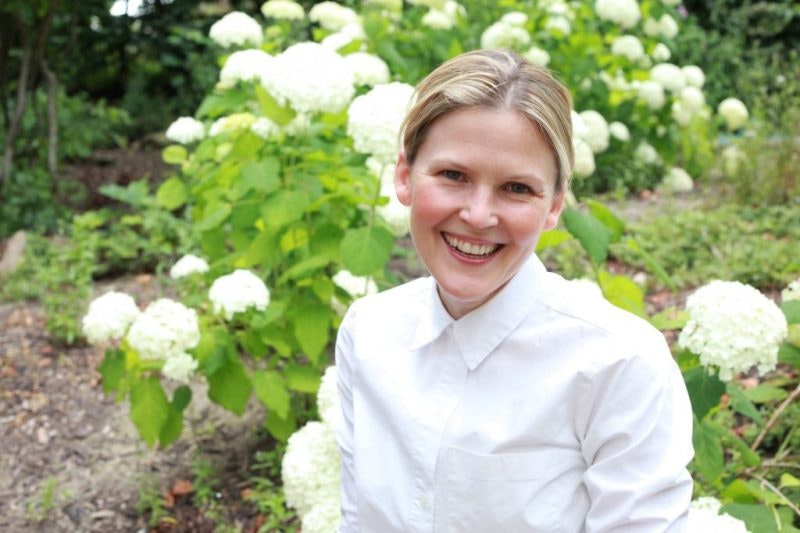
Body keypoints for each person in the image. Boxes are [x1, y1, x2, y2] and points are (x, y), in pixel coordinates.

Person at [334, 49, 693, 532]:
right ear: (404, 177)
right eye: (453, 176)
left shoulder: (618, 363)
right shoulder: (369, 330)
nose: (480, 216)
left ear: (554, 206)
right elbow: (359, 517)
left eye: (517, 188)